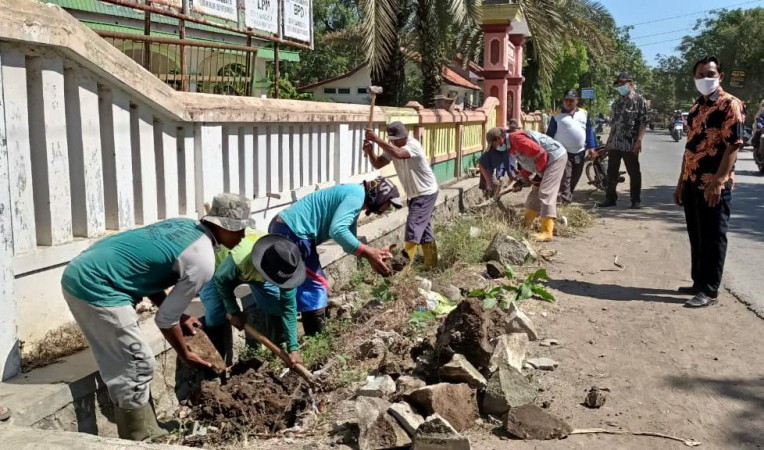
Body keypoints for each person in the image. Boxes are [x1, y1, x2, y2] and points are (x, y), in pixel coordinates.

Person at [60, 193, 251, 441]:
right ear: (221, 226)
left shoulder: (184, 226)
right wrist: (185, 353)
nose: (243, 236)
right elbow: (164, 320)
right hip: (96, 284)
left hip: (88, 269)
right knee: (137, 363)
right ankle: (140, 437)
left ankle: (146, 425)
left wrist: (180, 315)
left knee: (131, 360)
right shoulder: (203, 259)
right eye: (239, 230)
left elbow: (148, 272)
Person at [267, 177, 402, 335]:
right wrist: (369, 252)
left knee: (297, 285)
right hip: (293, 232)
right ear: (380, 196)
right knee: (316, 284)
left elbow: (348, 240)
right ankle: (316, 338)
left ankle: (288, 336)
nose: (387, 210)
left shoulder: (354, 195)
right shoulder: (356, 197)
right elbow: (337, 230)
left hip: (285, 227)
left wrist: (372, 254)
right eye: (389, 204)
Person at [673, 55, 744, 308]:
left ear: (720, 76)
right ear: (694, 78)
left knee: (713, 236)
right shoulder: (695, 108)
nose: (705, 79)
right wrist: (681, 182)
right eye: (701, 75)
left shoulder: (729, 105)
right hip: (692, 181)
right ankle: (698, 282)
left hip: (713, 185)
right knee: (697, 234)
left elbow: (734, 144)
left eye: (710, 74)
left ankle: (710, 290)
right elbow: (689, 148)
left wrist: (720, 179)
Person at [213, 230, 308, 363]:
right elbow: (221, 280)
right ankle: (218, 368)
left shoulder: (286, 265)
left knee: (276, 304)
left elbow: (288, 308)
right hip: (219, 267)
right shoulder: (240, 260)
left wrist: (293, 349)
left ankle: (279, 347)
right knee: (214, 314)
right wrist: (233, 311)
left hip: (255, 273)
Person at [364, 122, 440, 269]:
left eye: (400, 139)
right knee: (423, 228)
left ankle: (402, 269)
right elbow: (378, 164)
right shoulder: (392, 148)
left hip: (425, 192)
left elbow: (399, 154)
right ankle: (431, 264)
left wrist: (377, 139)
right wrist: (370, 152)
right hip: (415, 194)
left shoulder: (413, 145)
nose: (398, 142)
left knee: (413, 226)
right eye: (395, 140)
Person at [598, 72, 648, 209]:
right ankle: (610, 198)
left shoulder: (639, 100)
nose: (620, 86)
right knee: (611, 171)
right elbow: (614, 124)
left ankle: (635, 200)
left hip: (630, 143)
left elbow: (643, 122)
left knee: (634, 172)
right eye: (618, 83)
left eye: (622, 83)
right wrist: (608, 143)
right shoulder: (617, 102)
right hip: (615, 143)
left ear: (630, 83)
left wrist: (639, 141)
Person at [507, 129, 568, 241]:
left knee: (546, 191)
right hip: (544, 162)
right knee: (535, 192)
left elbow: (540, 153)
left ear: (498, 139)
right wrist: (521, 181)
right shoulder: (511, 147)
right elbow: (528, 164)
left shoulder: (516, 140)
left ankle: (546, 232)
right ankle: (527, 223)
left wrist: (540, 174)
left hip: (555, 158)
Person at [546, 89, 597, 204]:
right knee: (566, 177)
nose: (569, 102)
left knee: (575, 176)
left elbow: (589, 131)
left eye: (571, 100)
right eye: (566, 100)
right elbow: (549, 135)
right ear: (563, 101)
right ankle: (564, 201)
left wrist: (592, 147)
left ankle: (566, 196)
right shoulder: (556, 116)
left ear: (577, 101)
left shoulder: (584, 113)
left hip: (580, 152)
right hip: (563, 153)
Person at [479, 127, 516, 199]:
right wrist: (489, 181)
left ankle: (491, 199)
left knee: (494, 187)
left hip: (492, 169)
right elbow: (481, 165)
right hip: (487, 169)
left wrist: (511, 175)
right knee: (492, 186)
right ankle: (488, 200)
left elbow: (507, 162)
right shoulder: (489, 153)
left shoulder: (504, 148)